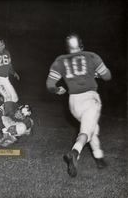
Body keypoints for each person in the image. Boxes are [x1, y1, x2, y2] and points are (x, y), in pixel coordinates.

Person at [46, 33, 112, 177]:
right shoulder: (91, 56)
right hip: (90, 98)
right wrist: (96, 74)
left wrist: (58, 90)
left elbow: (50, 84)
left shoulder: (60, 60)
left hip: (74, 103)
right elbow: (107, 76)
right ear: (81, 45)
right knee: (86, 131)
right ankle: (75, 152)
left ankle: (99, 157)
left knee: (91, 127)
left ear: (68, 48)